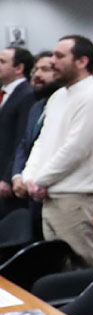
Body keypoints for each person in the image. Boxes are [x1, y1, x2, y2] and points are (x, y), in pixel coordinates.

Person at [16, 36, 93, 267]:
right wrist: (30, 177)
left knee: (85, 268)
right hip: (50, 197)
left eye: (60, 56)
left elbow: (75, 149)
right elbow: (41, 142)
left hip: (76, 199)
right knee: (59, 269)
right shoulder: (58, 96)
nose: (52, 61)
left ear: (82, 61)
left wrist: (39, 181)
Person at [11, 52, 59, 239]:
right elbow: (25, 144)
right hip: (31, 193)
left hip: (50, 191)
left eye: (45, 70)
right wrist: (18, 176)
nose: (37, 75)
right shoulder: (36, 107)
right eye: (35, 69)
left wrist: (34, 180)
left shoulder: (64, 107)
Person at [0, 45, 36, 216]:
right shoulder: (5, 93)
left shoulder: (27, 94)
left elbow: (22, 139)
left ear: (19, 68)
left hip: (8, 181)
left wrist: (8, 177)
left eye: (2, 62)